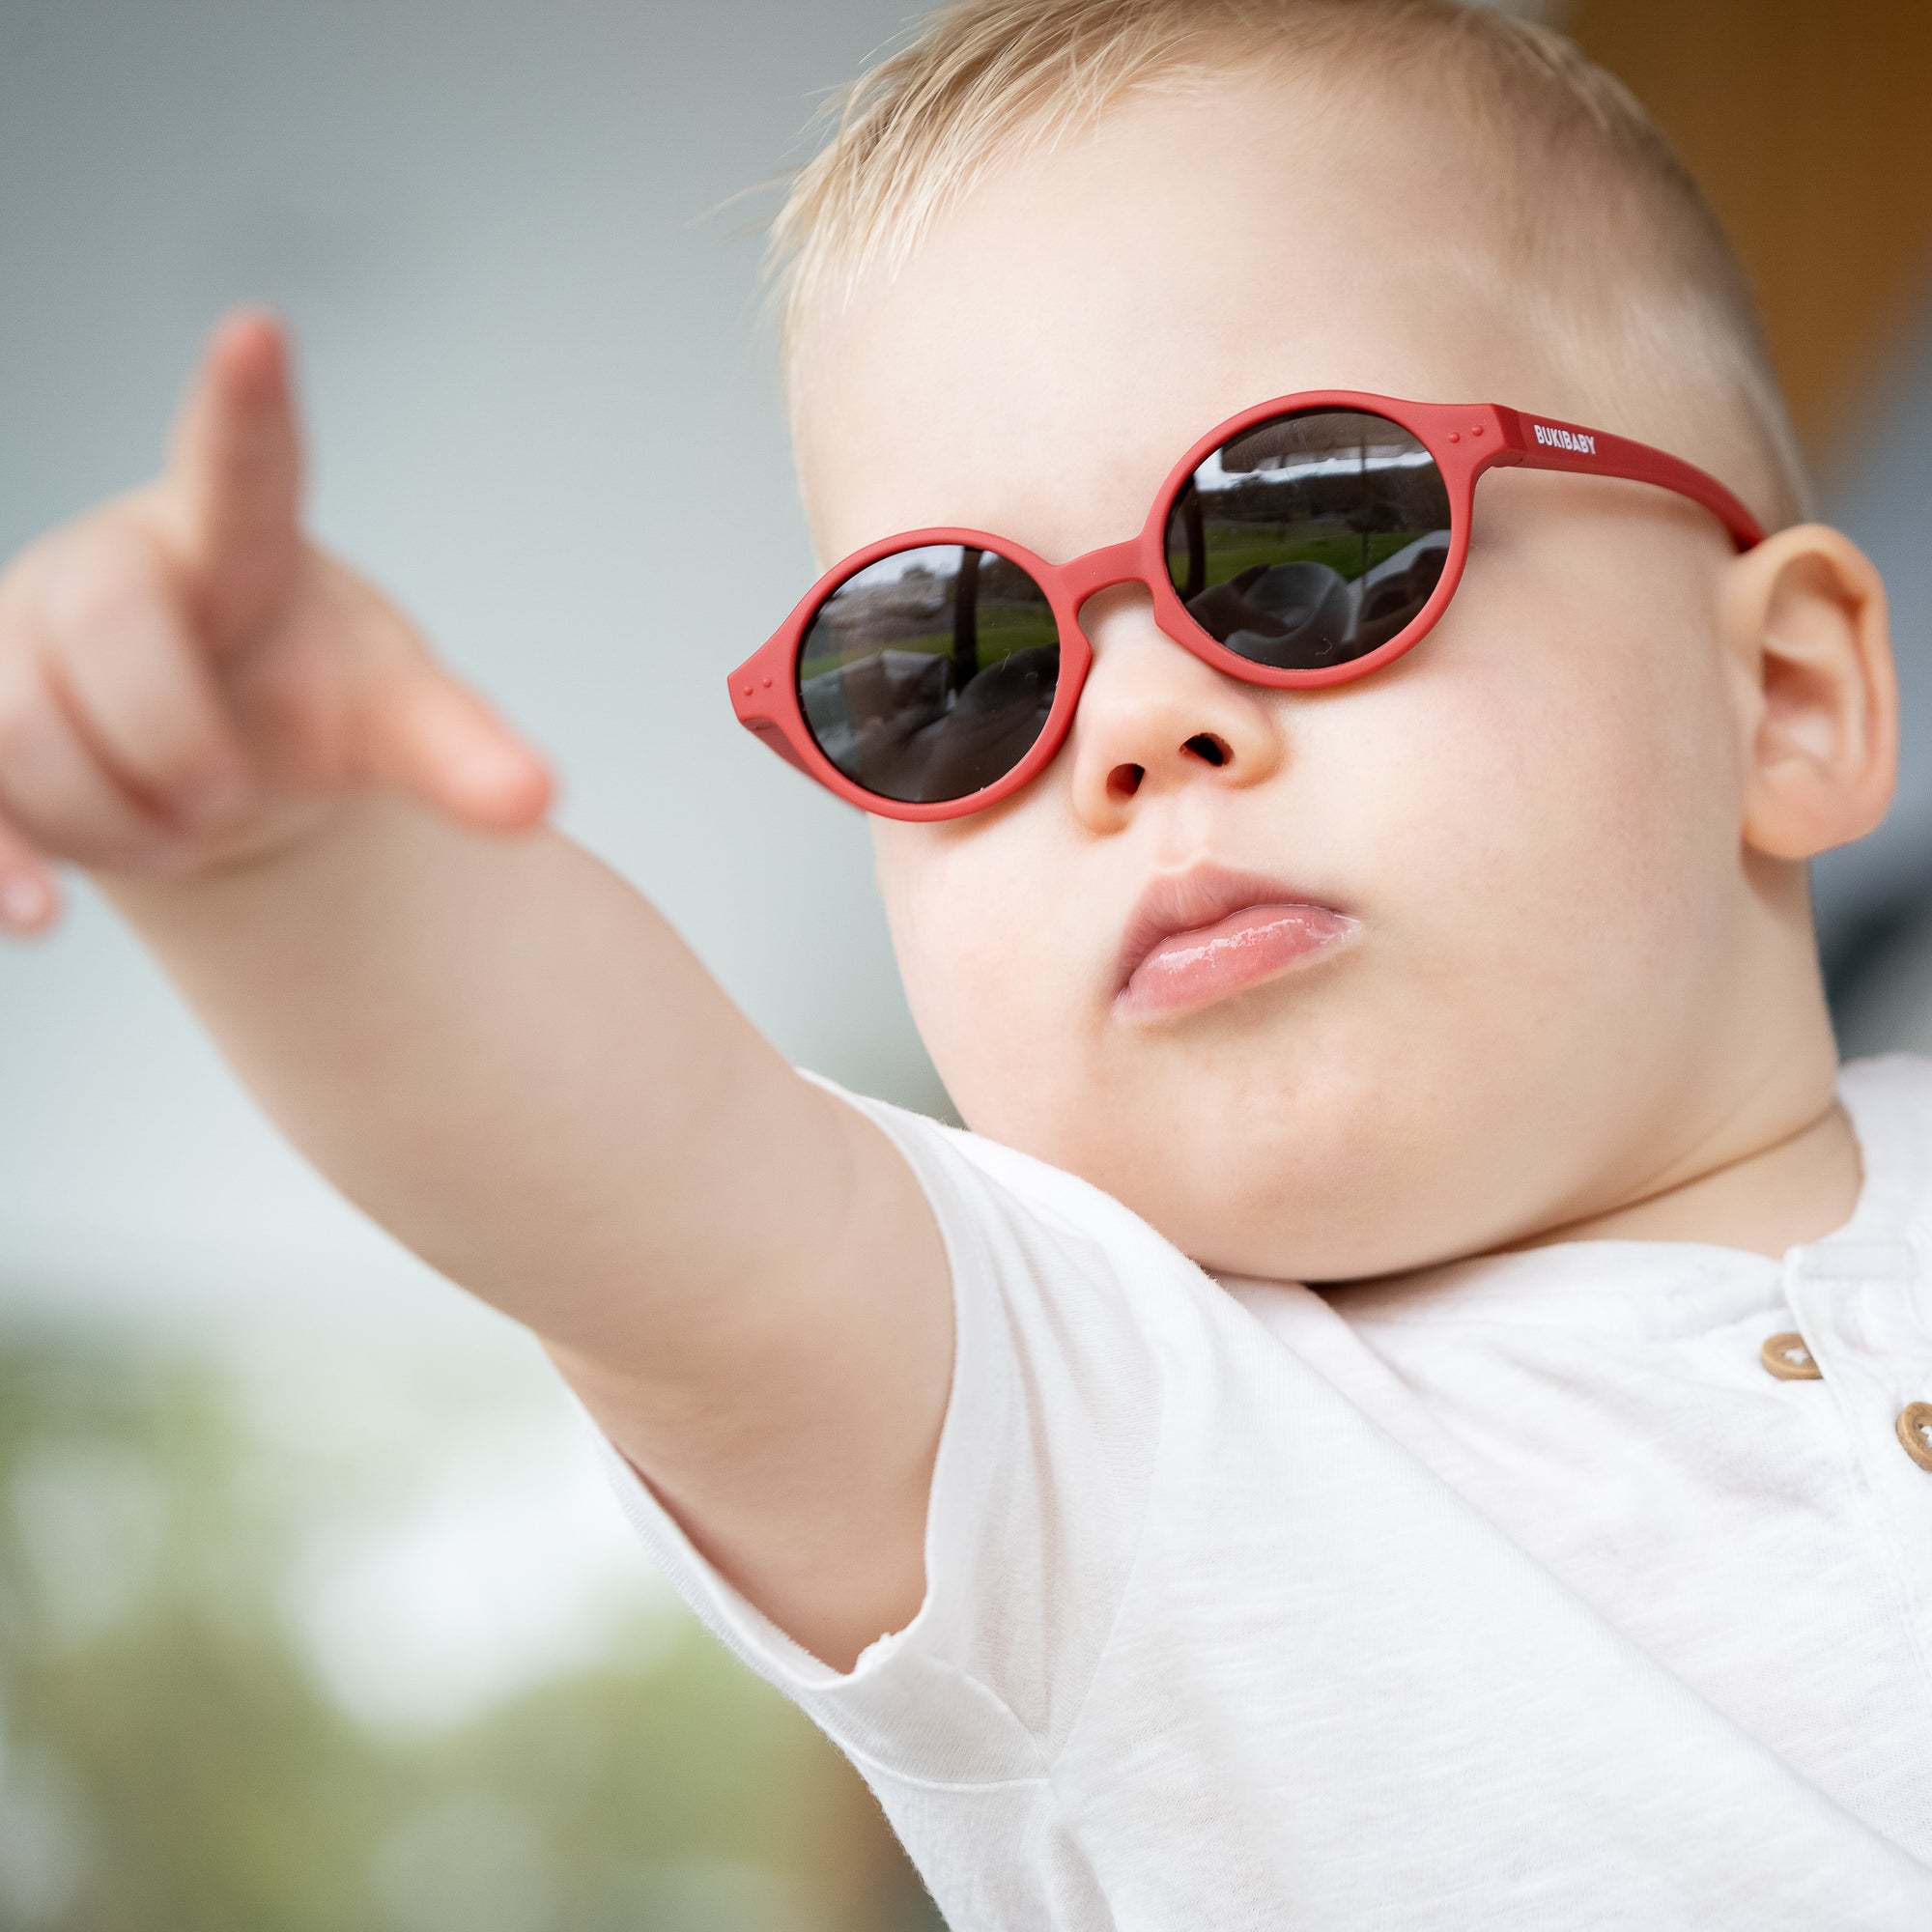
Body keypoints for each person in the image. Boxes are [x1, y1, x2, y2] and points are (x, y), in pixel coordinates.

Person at [1, 1, 1927, 1922]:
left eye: (1308, 532)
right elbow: (650, 1184)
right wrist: (289, 853)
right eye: (949, 668)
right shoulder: (1092, 1437)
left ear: (1778, 697)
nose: (1135, 726)